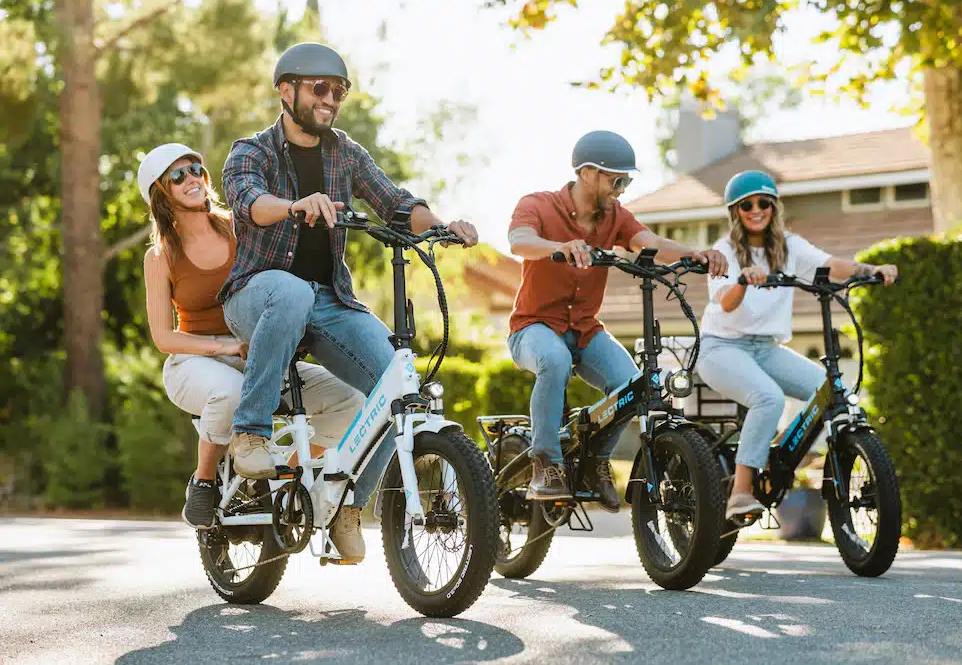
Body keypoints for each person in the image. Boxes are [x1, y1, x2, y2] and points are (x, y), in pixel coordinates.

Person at [219, 42, 478, 562]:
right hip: (257, 295)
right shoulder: (252, 151)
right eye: (320, 88)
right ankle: (249, 436)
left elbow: (395, 203)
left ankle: (348, 505)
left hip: (329, 301)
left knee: (399, 389)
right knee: (290, 289)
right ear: (286, 90)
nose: (331, 99)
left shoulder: (345, 152)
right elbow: (248, 201)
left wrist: (442, 224)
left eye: (339, 91)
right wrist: (294, 205)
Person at [139, 142, 365, 530]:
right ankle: (204, 480)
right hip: (195, 362)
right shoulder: (159, 256)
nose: (192, 178)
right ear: (161, 192)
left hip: (257, 356)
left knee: (350, 400)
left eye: (196, 169)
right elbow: (164, 337)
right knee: (230, 393)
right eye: (178, 175)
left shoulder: (237, 227)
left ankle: (286, 481)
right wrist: (226, 346)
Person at [506, 130, 728, 511]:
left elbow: (648, 241)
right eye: (617, 179)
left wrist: (696, 254)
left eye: (628, 180)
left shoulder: (615, 217)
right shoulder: (538, 204)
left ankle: (594, 462)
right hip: (532, 328)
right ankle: (545, 462)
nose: (623, 188)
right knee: (554, 360)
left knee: (632, 385)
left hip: (586, 331)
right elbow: (519, 240)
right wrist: (559, 247)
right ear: (588, 173)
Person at [695, 170, 898, 521]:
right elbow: (725, 302)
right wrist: (744, 279)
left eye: (764, 203)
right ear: (736, 212)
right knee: (768, 398)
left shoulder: (789, 246)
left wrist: (871, 269)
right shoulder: (724, 250)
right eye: (747, 205)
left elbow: (832, 265)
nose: (756, 210)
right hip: (721, 348)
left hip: (766, 348)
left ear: (774, 207)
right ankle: (741, 492)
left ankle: (780, 455)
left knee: (831, 391)